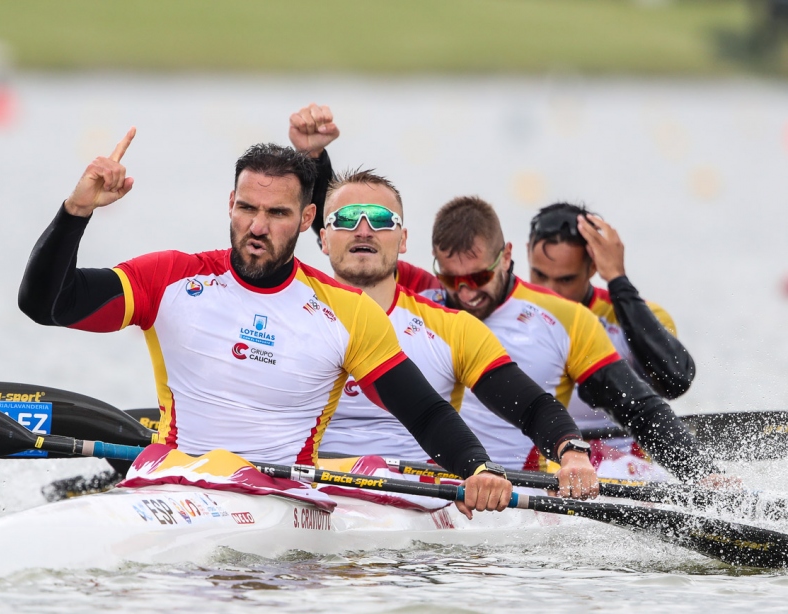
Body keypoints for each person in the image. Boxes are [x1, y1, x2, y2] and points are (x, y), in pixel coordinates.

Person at [17, 128, 512, 517]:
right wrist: (76, 212)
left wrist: (479, 469)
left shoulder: (345, 311)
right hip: (167, 485)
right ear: (230, 204)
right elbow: (46, 305)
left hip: (282, 501)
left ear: (305, 218)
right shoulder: (169, 278)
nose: (257, 226)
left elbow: (424, 413)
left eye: (276, 213)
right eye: (247, 208)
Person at [294, 106, 727, 485]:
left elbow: (643, 410)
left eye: (479, 278)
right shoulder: (428, 294)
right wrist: (313, 158)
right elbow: (356, 243)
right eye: (452, 279)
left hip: (511, 491)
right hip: (434, 476)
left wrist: (702, 475)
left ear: (505, 258)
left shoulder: (568, 321)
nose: (465, 293)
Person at [309, 167, 600, 499]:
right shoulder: (292, 318)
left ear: (403, 240)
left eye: (381, 219)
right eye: (346, 220)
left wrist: (573, 452)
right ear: (323, 238)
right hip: (313, 491)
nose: (364, 231)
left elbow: (533, 407)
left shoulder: (454, 329)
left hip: (419, 501)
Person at [526, 203, 695, 436]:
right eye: (539, 275)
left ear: (593, 266)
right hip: (543, 456)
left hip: (623, 461)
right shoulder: (505, 311)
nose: (550, 292)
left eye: (565, 280)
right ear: (527, 253)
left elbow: (675, 381)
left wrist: (617, 279)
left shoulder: (642, 317)